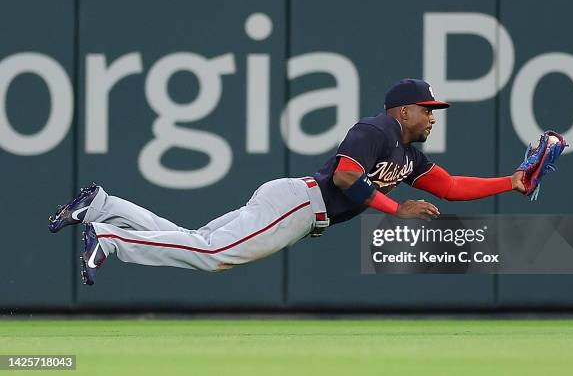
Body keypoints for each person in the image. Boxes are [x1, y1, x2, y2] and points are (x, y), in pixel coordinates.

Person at [48, 78, 526, 285]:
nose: (432, 117)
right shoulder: (376, 129)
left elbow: (453, 186)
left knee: (197, 241)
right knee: (213, 257)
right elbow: (345, 175)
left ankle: (103, 207)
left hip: (297, 206)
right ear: (404, 110)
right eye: (428, 110)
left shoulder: (407, 153)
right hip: (302, 203)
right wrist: (393, 209)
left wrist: (514, 180)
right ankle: (109, 239)